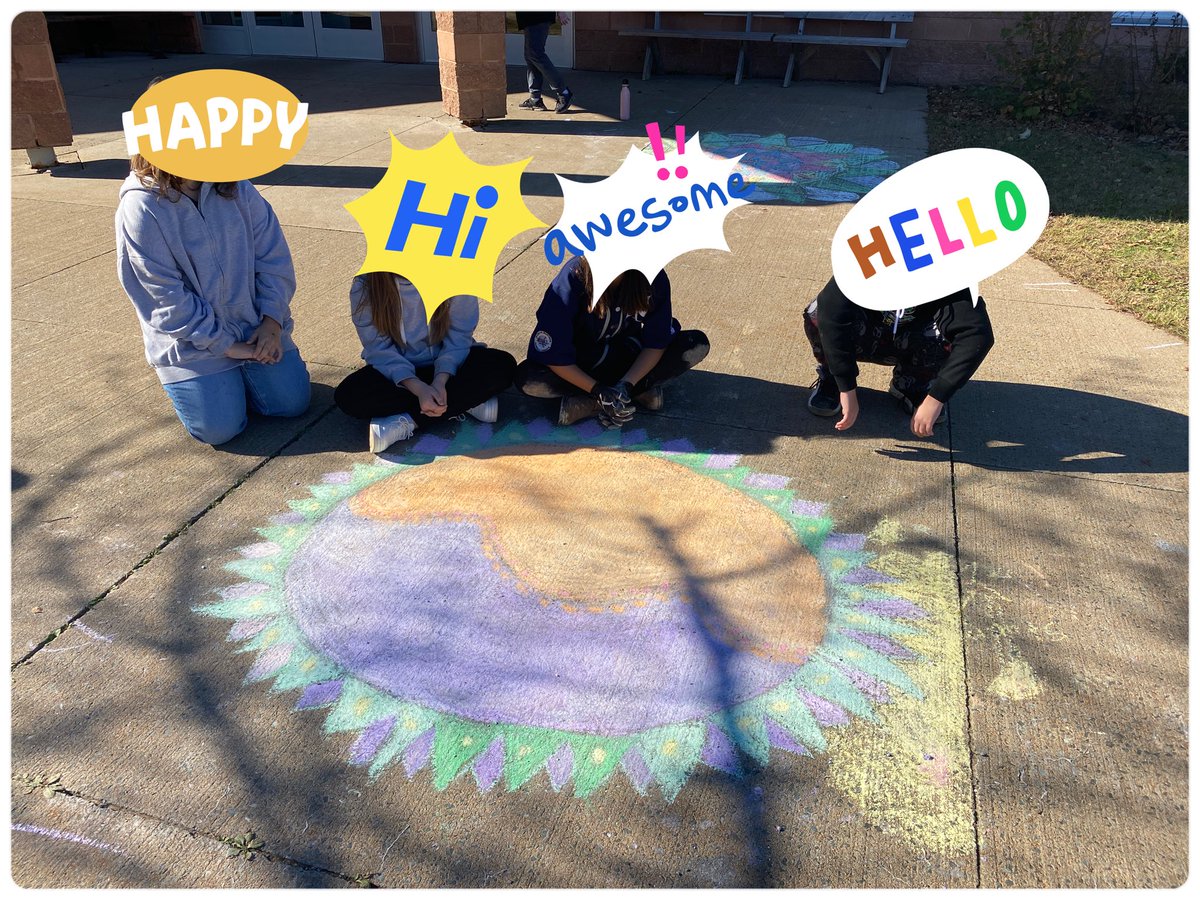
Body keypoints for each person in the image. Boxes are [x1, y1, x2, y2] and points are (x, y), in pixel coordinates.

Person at [115, 156, 311, 446]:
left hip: (252, 327)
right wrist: (228, 347)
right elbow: (163, 297)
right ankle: (217, 386)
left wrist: (272, 321)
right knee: (220, 430)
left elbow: (273, 258)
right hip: (190, 343)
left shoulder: (239, 187)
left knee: (293, 404)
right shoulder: (140, 205)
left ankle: (238, 384)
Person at [515, 255, 710, 427]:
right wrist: (597, 390)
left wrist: (627, 384)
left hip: (628, 360)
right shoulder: (574, 275)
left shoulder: (652, 275)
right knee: (528, 378)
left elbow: (656, 342)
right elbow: (553, 354)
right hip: (583, 364)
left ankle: (600, 401)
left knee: (695, 343)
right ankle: (627, 396)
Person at [334, 272, 517, 453]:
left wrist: (440, 380)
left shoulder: (457, 272)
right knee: (348, 395)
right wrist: (419, 388)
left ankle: (411, 420)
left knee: (503, 366)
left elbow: (459, 337)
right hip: (399, 376)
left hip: (450, 367)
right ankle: (465, 402)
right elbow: (378, 350)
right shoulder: (366, 285)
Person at [804, 275, 994, 437]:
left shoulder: (946, 269)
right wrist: (845, 385)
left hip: (913, 340)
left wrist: (936, 398)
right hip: (863, 332)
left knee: (945, 336)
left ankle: (913, 385)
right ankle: (832, 381)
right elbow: (831, 309)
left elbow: (977, 335)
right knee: (817, 311)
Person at [515, 11, 574, 113]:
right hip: (529, 17)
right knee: (530, 56)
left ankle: (563, 92)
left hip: (539, 16)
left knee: (536, 54)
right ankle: (535, 99)